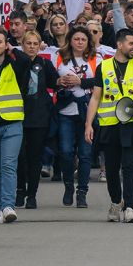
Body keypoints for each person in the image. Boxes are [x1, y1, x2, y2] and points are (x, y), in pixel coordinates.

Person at [85, 28, 133, 223]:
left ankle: (130, 207)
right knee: (111, 168)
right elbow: (95, 98)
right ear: (119, 44)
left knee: (130, 166)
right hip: (109, 125)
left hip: (131, 124)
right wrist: (88, 125)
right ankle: (116, 201)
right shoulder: (104, 66)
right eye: (131, 43)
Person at [0, 28, 31, 224]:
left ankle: (9, 206)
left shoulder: (15, 64)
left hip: (12, 122)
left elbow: (26, 60)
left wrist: (12, 49)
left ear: (5, 44)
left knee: (9, 165)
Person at [54, 27, 98, 208]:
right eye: (76, 39)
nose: (79, 42)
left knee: (85, 154)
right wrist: (59, 82)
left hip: (87, 110)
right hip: (66, 110)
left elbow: (100, 82)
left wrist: (81, 82)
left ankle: (82, 192)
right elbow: (51, 79)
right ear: (70, 40)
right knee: (65, 151)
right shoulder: (59, 57)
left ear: (88, 42)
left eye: (83, 39)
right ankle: (68, 185)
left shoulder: (97, 58)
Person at [16, 30, 58, 210]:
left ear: (40, 46)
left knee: (34, 158)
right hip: (18, 116)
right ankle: (19, 191)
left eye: (35, 44)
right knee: (19, 157)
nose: (31, 47)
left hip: (39, 118)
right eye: (28, 43)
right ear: (22, 45)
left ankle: (32, 195)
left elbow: (55, 82)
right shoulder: (16, 63)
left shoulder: (45, 64)